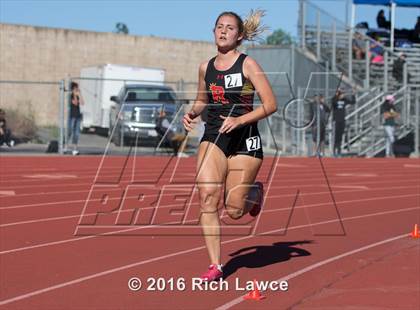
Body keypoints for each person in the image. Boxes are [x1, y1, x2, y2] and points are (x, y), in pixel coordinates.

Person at [182, 10, 277, 281]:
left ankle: (255, 193)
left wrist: (239, 120)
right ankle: (215, 265)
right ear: (213, 32)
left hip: (244, 138)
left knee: (234, 210)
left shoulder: (248, 65)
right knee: (208, 198)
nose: (223, 31)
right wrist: (192, 113)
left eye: (230, 28)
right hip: (214, 135)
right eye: (219, 27)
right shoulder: (205, 67)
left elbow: (271, 105)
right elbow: (203, 100)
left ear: (239, 36)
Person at [331, 89, 354, 157]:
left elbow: (353, 102)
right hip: (336, 120)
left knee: (340, 136)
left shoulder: (344, 100)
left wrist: (353, 95)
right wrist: (337, 95)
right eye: (341, 94)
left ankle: (339, 150)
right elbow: (333, 102)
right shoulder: (335, 100)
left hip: (342, 120)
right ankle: (334, 150)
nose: (343, 95)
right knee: (335, 136)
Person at [67, 82, 84, 155]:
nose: (78, 89)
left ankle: (75, 149)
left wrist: (80, 95)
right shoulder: (70, 96)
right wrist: (75, 95)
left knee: (76, 133)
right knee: (70, 131)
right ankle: (64, 145)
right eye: (77, 88)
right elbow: (75, 103)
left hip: (78, 116)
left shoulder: (78, 95)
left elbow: (82, 103)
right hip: (72, 116)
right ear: (74, 88)